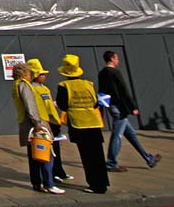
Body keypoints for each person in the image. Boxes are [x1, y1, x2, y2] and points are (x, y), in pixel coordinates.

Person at [98, 50, 160, 171]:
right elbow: (124, 90)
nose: (118, 60)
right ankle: (111, 163)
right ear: (112, 59)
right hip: (120, 108)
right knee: (117, 136)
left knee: (132, 135)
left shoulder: (102, 73)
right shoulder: (115, 72)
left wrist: (102, 108)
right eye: (116, 58)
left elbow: (102, 92)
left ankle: (149, 158)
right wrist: (132, 107)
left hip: (111, 106)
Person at [56, 54, 109, 194]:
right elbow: (96, 102)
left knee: (87, 156)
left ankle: (93, 184)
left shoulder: (64, 86)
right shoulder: (88, 84)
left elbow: (62, 105)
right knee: (98, 155)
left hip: (78, 123)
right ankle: (103, 183)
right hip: (94, 122)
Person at [12, 62, 61, 194]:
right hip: (35, 125)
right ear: (24, 74)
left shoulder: (17, 85)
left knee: (34, 156)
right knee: (45, 154)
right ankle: (49, 183)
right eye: (29, 73)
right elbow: (30, 105)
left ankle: (37, 184)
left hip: (28, 124)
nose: (30, 75)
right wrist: (38, 123)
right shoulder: (24, 85)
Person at [28, 58, 72, 183]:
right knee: (46, 151)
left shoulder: (44, 88)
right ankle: (49, 176)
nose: (44, 76)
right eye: (42, 74)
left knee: (55, 151)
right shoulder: (35, 89)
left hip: (52, 122)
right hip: (46, 123)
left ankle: (58, 172)